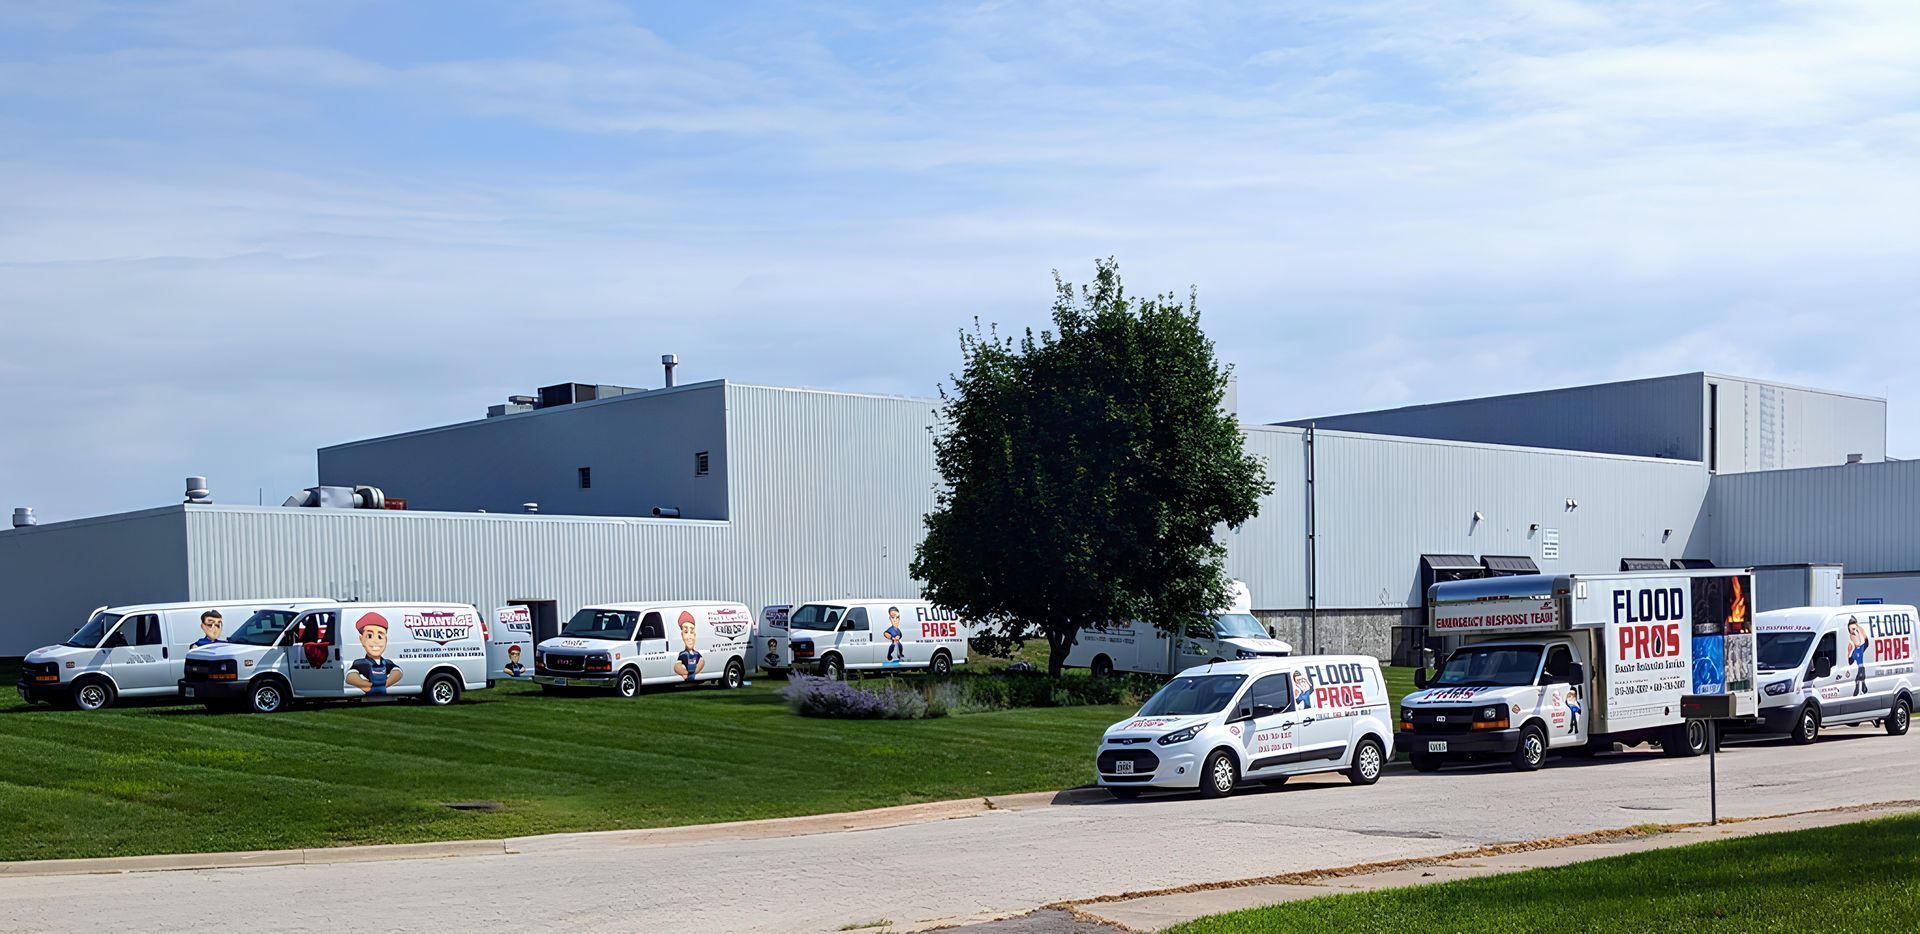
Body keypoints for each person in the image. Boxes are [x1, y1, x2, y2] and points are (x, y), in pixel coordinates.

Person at [346, 613, 402, 696]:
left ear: (386, 640)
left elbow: (398, 672)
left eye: (380, 636)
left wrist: (385, 684)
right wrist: (367, 685)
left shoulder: (387, 663)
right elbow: (350, 676)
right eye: (369, 636)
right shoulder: (360, 663)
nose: (376, 641)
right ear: (361, 639)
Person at [673, 611, 705, 682]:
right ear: (682, 635)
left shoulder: (697, 654)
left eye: (692, 632)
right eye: (686, 632)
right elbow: (677, 666)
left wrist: (695, 671)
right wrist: (685, 673)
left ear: (695, 635)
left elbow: (701, 662)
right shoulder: (683, 654)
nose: (689, 637)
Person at [1846, 619, 1869, 696]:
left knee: (1860, 677)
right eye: (1852, 631)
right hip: (1858, 669)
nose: (1854, 633)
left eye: (1855, 630)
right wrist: (1849, 652)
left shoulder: (1861, 648)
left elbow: (1867, 642)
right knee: (1859, 678)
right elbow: (1850, 662)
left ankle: (1862, 688)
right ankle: (1862, 688)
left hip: (1861, 668)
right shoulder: (1855, 652)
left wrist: (1860, 628)